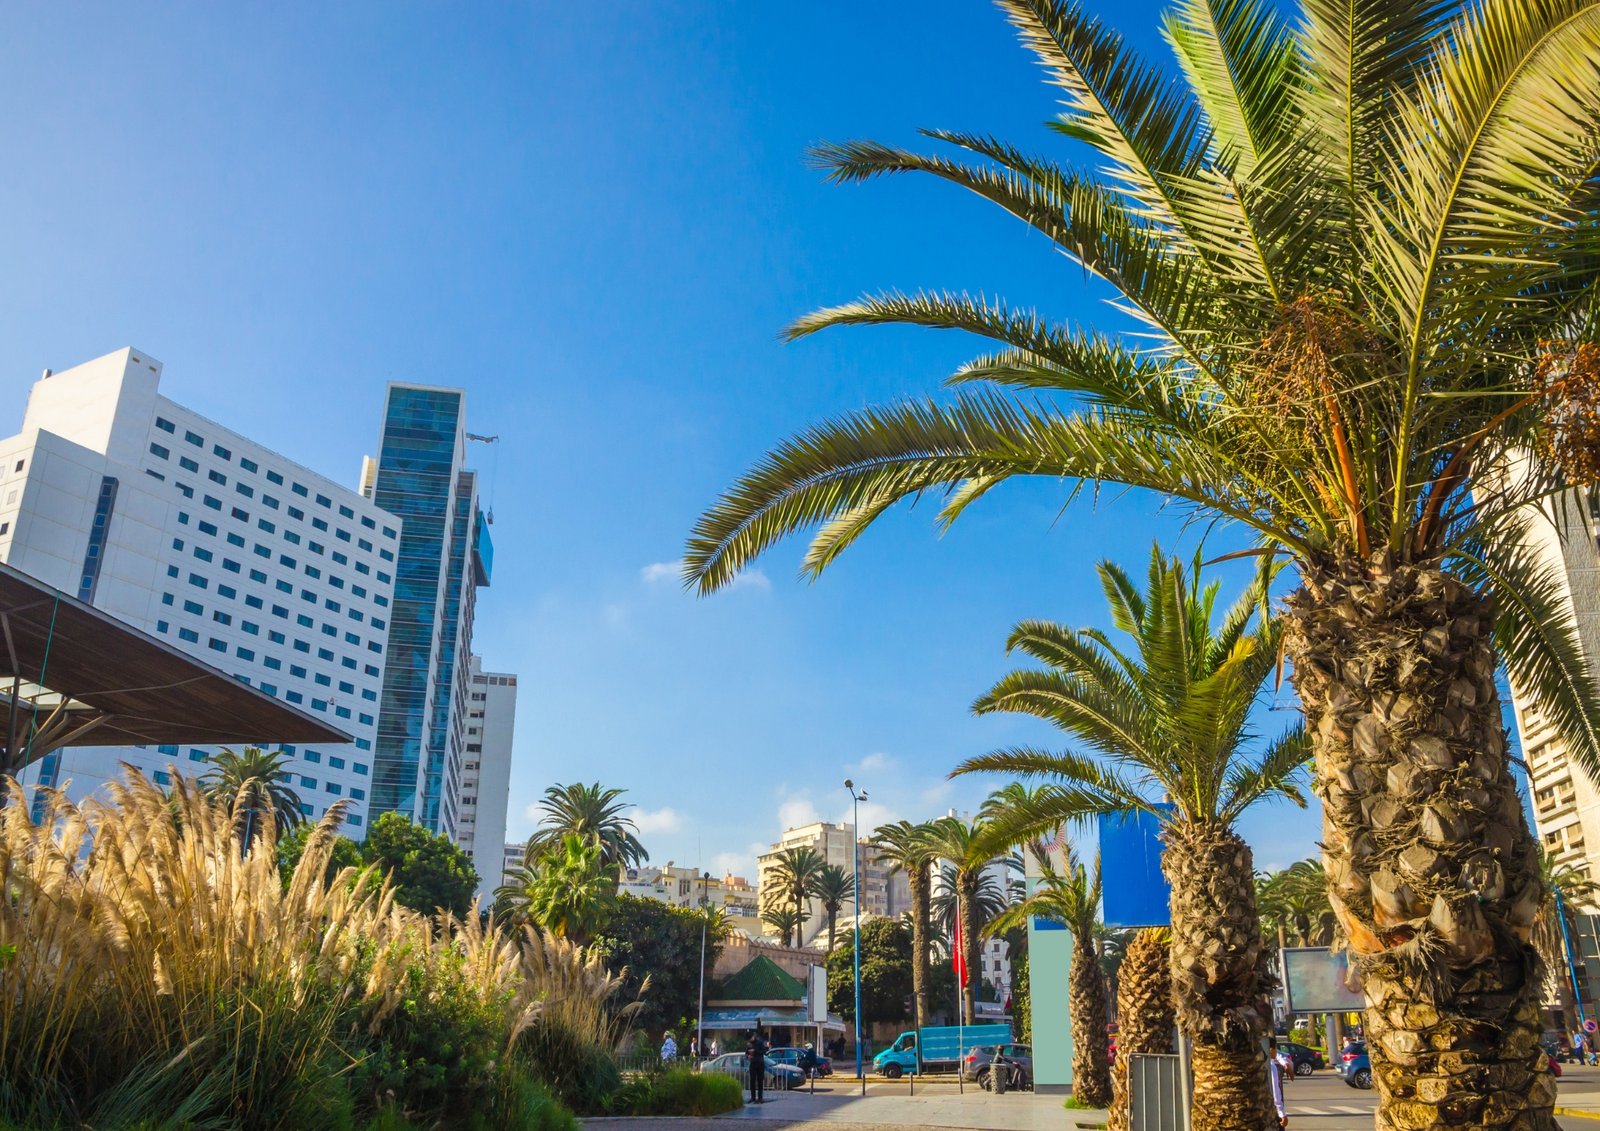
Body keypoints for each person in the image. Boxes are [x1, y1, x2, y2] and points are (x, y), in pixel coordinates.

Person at [1267, 1037, 1290, 1129]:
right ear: (1271, 1049)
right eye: (1276, 1049)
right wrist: (1282, 1114)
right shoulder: (1271, 1066)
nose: (1276, 1052)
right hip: (1272, 1110)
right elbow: (1275, 1091)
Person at [747, 1027, 768, 1104]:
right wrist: (748, 1056)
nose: (750, 1040)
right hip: (752, 1063)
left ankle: (760, 1098)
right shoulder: (749, 1044)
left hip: (760, 1063)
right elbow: (746, 1053)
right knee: (752, 1080)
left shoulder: (759, 1042)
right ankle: (753, 1097)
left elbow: (764, 1051)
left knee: (760, 1081)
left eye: (750, 1038)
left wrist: (755, 1051)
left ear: (753, 1037)